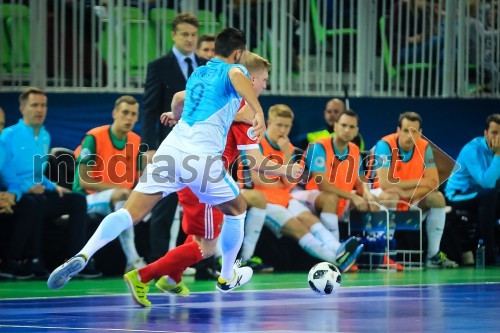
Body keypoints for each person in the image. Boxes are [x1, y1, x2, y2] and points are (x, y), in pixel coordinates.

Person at [47, 28, 267, 299]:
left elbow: (177, 99)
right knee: (238, 208)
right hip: (201, 157)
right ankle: (228, 276)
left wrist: (174, 115)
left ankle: (84, 252)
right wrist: (258, 111)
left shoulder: (198, 73)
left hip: (170, 149)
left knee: (130, 212)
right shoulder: (235, 71)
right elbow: (236, 76)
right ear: (238, 53)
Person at [124, 52, 301, 306]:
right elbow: (255, 163)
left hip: (193, 173)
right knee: (206, 246)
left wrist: (175, 114)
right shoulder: (244, 111)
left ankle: (171, 279)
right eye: (263, 79)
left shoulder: (218, 99)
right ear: (249, 79)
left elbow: (182, 98)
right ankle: (143, 275)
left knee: (199, 236)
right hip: (207, 182)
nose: (264, 85)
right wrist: (287, 170)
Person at [0, 87, 101, 279]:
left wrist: (54, 186)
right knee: (38, 202)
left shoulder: (45, 136)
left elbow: (38, 173)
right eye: (34, 105)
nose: (40, 110)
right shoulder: (8, 136)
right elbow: (9, 175)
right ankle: (32, 259)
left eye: (43, 105)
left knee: (77, 201)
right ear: (22, 109)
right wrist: (25, 188)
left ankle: (74, 261)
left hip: (39, 190)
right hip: (24, 194)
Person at [251, 104, 363, 273]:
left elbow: (289, 183)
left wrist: (286, 155)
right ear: (269, 122)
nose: (283, 130)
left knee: (311, 221)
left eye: (287, 126)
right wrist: (280, 181)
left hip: (285, 197)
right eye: (278, 125)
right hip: (265, 201)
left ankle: (338, 249)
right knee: (300, 228)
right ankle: (335, 261)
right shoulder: (256, 144)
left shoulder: (287, 147)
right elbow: (256, 179)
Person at [141, 13, 208, 264]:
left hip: (200, 148)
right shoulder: (158, 66)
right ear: (173, 35)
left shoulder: (204, 66)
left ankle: (202, 263)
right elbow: (149, 109)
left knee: (203, 205)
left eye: (193, 35)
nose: (190, 39)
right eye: (184, 34)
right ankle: (157, 260)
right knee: (164, 206)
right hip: (169, 147)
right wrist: (149, 148)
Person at [370, 111, 458, 268]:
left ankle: (433, 255)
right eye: (405, 130)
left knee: (437, 198)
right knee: (391, 196)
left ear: (420, 133)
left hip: (409, 197)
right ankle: (385, 254)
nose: (410, 136)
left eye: (414, 132)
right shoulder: (384, 145)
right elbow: (385, 183)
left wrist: (408, 192)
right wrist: (420, 182)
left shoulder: (424, 147)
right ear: (398, 130)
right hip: (382, 198)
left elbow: (434, 183)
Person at [294, 110, 376, 271]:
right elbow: (322, 185)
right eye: (343, 125)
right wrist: (353, 197)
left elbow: (361, 181)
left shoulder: (354, 149)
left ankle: (379, 254)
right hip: (303, 197)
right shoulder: (319, 146)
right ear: (335, 126)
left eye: (351, 127)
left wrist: (366, 195)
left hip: (337, 199)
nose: (347, 130)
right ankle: (339, 252)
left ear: (356, 131)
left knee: (374, 202)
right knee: (331, 197)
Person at [72, 96, 147, 273]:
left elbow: (141, 180)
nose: (129, 118)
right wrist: (120, 190)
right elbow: (84, 180)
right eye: (125, 113)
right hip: (86, 199)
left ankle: (164, 258)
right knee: (124, 202)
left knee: (160, 202)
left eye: (133, 114)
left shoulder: (136, 141)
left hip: (120, 198)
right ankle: (133, 260)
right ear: (114, 113)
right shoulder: (94, 137)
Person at [445, 114, 500, 266]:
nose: (498, 137)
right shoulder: (473, 150)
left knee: (491, 196)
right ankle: (489, 253)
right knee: (489, 195)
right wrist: (498, 154)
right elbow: (487, 183)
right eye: (495, 133)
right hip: (457, 196)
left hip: (480, 195)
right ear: (486, 133)